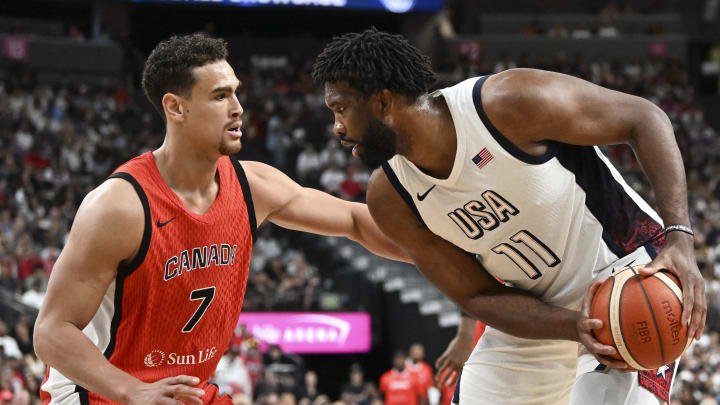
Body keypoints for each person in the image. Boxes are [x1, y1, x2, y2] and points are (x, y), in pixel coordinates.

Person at [312, 28, 705, 404]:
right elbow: (477, 294)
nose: (337, 128)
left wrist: (680, 239)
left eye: (341, 109)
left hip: (628, 278)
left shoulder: (506, 104)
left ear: (382, 102)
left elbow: (644, 118)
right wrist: (571, 327)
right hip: (538, 314)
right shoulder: (389, 197)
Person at [33, 33, 409, 405]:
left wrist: (452, 250)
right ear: (175, 108)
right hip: (99, 390)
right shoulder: (120, 206)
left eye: (235, 92)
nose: (238, 107)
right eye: (219, 96)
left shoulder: (253, 186)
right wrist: (133, 390)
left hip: (182, 389)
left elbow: (356, 221)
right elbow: (51, 331)